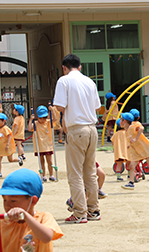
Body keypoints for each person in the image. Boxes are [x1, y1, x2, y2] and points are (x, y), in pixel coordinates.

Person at [53, 54, 101, 224]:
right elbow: (97, 107)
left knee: (75, 173)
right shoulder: (90, 81)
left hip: (76, 129)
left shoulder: (64, 81)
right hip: (92, 129)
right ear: (80, 67)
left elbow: (59, 106)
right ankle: (93, 209)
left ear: (64, 67)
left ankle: (80, 212)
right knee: (90, 172)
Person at [28, 106, 55, 182]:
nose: (42, 120)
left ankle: (51, 175)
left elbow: (55, 120)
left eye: (44, 118)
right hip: (39, 146)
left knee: (49, 161)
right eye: (40, 118)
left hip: (47, 145)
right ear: (37, 117)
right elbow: (30, 128)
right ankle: (43, 176)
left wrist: (52, 110)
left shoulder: (48, 122)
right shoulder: (36, 123)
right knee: (41, 161)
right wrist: (31, 119)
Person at [0, 113, 23, 178]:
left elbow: (9, 136)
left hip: (7, 147)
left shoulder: (5, 128)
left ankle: (18, 159)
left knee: (10, 160)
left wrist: (8, 144)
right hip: (0, 148)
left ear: (4, 121)